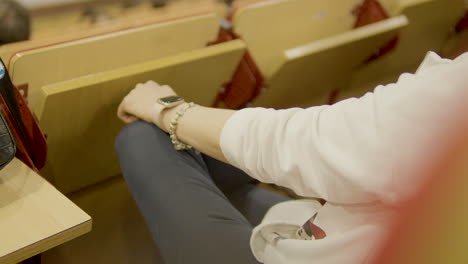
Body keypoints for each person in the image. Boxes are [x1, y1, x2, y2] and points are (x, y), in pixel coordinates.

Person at [115, 51, 468, 264]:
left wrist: (169, 110)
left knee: (143, 138)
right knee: (212, 161)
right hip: (350, 235)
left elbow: (308, 145)